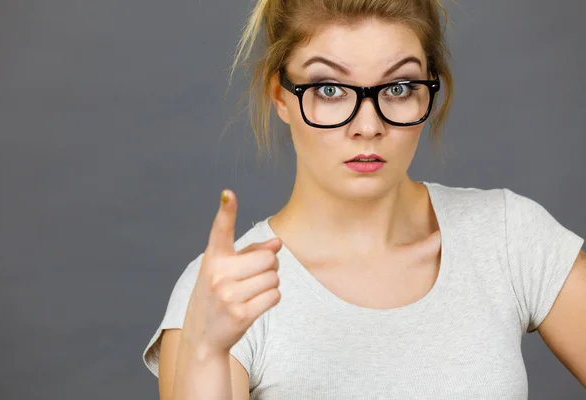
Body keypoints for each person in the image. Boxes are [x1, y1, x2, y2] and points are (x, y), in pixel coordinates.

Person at [142, 0, 586, 398]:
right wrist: (206, 354)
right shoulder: (224, 290)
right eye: (330, 89)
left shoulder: (508, 236)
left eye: (397, 88)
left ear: (429, 90)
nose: (368, 126)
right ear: (280, 96)